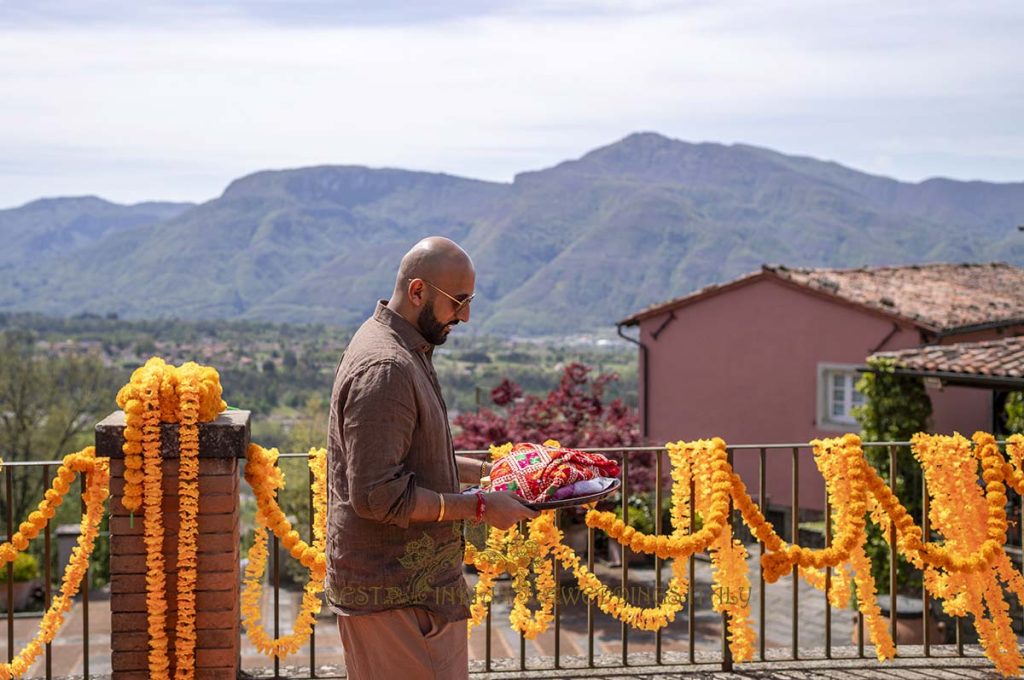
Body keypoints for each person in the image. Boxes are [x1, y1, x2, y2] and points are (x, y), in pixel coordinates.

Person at [327, 236, 538, 680]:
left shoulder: (407, 349)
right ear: (418, 291)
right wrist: (481, 506)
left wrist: (495, 474)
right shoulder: (386, 367)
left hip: (413, 594)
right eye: (458, 302)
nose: (465, 315)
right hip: (393, 597)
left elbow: (416, 460)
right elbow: (378, 496)